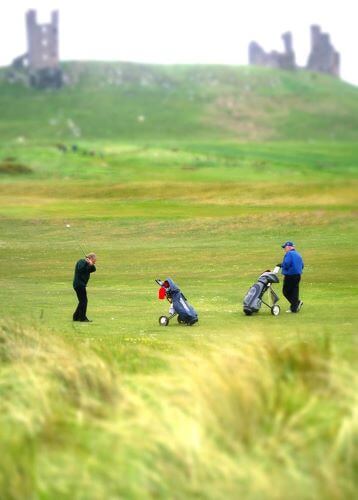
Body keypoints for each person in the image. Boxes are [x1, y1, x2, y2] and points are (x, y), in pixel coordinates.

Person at [279, 241, 304, 313]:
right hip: (297, 275)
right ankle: (294, 307)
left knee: (286, 291)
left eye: (285, 247)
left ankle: (296, 304)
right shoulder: (298, 254)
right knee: (294, 291)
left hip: (290, 275)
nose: (284, 249)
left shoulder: (289, 253)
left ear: (289, 247)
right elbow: (302, 265)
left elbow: (287, 263)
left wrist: (282, 265)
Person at [72, 253, 97, 322]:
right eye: (94, 260)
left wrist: (90, 264)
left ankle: (76, 317)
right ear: (91, 258)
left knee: (82, 301)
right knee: (84, 301)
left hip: (81, 284)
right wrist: (86, 262)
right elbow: (80, 269)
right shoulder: (81, 261)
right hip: (79, 284)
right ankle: (82, 318)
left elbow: (94, 269)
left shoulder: (88, 264)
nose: (95, 262)